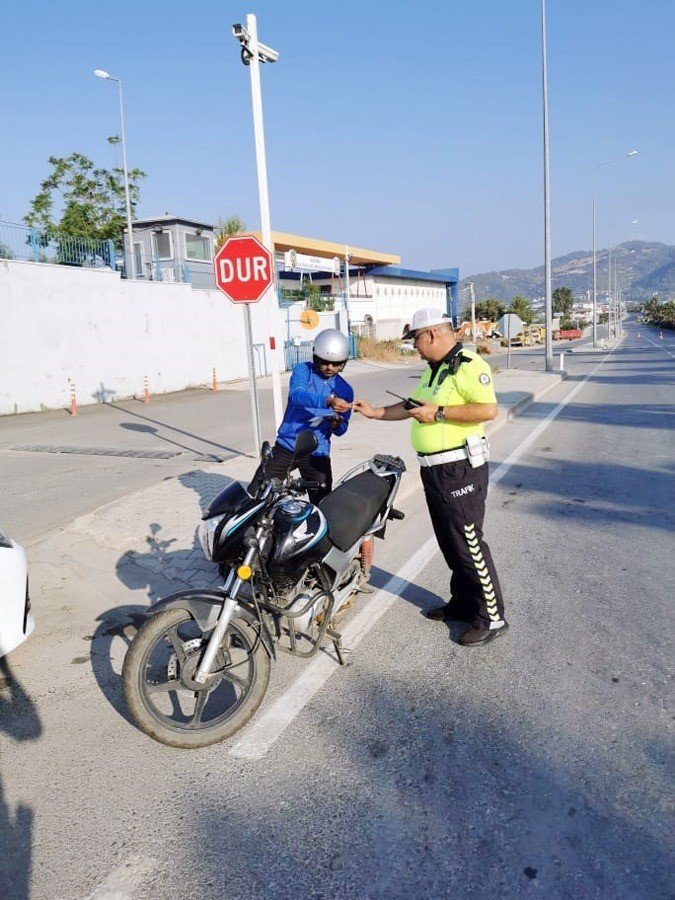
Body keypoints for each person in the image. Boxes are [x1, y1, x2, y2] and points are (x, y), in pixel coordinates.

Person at [353, 308, 508, 647]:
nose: (416, 349)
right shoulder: (434, 371)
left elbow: (487, 409)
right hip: (434, 469)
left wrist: (438, 412)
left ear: (433, 334)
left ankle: (492, 616)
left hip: (459, 468)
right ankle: (464, 602)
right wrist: (374, 413)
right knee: (449, 541)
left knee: (468, 541)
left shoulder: (470, 366)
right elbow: (411, 407)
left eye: (418, 341)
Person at [250, 328, 354, 505]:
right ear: (316, 357)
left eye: (336, 364)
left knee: (322, 505)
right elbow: (296, 396)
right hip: (288, 445)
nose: (330, 367)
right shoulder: (303, 370)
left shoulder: (345, 389)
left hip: (317, 451)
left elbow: (342, 430)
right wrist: (328, 401)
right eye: (325, 362)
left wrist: (337, 424)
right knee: (256, 494)